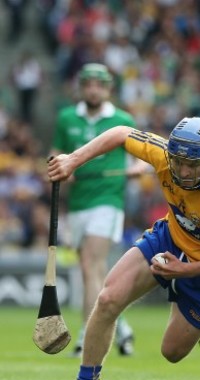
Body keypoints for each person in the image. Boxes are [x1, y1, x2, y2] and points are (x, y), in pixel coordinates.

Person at [48, 117, 200, 380]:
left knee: (171, 352)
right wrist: (73, 160)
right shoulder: (163, 155)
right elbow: (121, 133)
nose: (183, 171)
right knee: (108, 298)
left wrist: (185, 270)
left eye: (193, 164)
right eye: (178, 161)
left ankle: (184, 299)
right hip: (169, 236)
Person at [50, 63, 137, 357]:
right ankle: (120, 326)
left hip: (108, 200)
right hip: (78, 202)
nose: (93, 89)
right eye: (88, 84)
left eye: (99, 84)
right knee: (95, 271)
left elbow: (141, 158)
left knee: (90, 264)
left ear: (108, 89)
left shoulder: (122, 119)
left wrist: (136, 170)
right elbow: (55, 153)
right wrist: (61, 167)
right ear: (81, 87)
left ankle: (87, 334)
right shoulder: (66, 118)